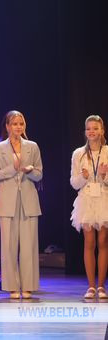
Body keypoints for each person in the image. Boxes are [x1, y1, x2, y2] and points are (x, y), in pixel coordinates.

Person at [0, 110, 42, 299]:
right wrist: (11, 169)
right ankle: (11, 286)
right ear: (7, 126)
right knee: (9, 246)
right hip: (6, 201)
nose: (18, 127)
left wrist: (30, 171)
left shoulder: (32, 146)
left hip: (28, 200)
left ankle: (28, 285)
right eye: (14, 124)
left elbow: (39, 174)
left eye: (21, 123)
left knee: (29, 245)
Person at [70, 115, 108, 300]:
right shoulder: (78, 153)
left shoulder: (107, 151)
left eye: (95, 128)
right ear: (85, 132)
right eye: (88, 128)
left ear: (102, 130)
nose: (92, 131)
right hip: (86, 199)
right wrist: (83, 177)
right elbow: (74, 182)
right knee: (89, 242)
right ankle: (91, 286)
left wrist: (104, 175)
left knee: (103, 241)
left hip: (103, 198)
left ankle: (101, 286)